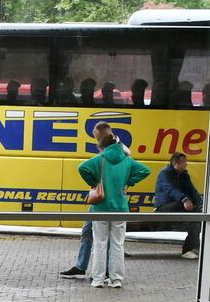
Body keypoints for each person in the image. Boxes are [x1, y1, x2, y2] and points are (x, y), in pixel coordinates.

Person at [79, 133, 150, 288]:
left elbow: (82, 167)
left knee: (100, 243)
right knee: (118, 243)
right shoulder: (127, 161)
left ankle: (98, 279)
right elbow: (146, 171)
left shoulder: (100, 160)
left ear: (103, 147)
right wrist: (129, 182)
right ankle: (116, 279)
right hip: (120, 207)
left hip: (101, 207)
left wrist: (93, 183)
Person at [59, 122, 119, 279]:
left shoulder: (119, 149)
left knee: (104, 238)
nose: (96, 141)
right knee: (87, 233)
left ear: (104, 134)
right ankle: (81, 267)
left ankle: (104, 271)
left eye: (97, 137)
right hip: (98, 199)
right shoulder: (109, 147)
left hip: (108, 201)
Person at [154, 153, 203, 259]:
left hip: (179, 208)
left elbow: (192, 190)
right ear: (175, 164)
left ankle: (189, 249)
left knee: (196, 219)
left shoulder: (184, 175)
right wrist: (184, 199)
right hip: (163, 208)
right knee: (184, 207)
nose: (186, 164)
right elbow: (170, 189)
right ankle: (190, 249)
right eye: (184, 162)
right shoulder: (164, 174)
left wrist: (199, 203)